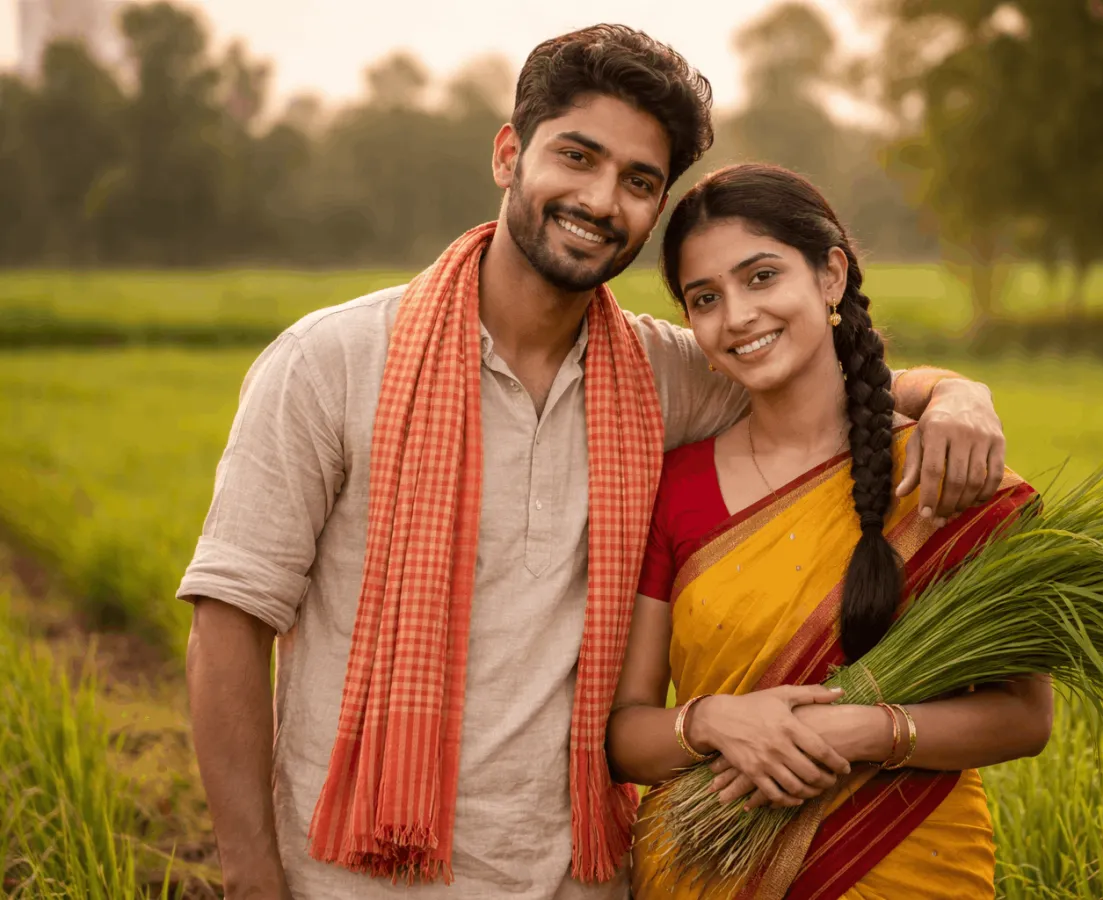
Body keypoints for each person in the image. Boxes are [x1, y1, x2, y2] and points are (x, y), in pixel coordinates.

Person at [177, 27, 1008, 900]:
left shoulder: (669, 374)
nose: (601, 198)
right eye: (578, 155)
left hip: (583, 878)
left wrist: (955, 395)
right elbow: (230, 623)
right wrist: (249, 877)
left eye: (640, 182)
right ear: (508, 154)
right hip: (351, 877)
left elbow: (832, 383)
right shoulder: (331, 362)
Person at [607, 163, 1054, 900]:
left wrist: (868, 732)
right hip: (705, 870)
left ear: (831, 276)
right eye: (706, 298)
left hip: (911, 863)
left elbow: (1025, 718)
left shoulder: (943, 473)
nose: (738, 316)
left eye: (761, 277)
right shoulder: (676, 488)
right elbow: (625, 736)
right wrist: (715, 720)